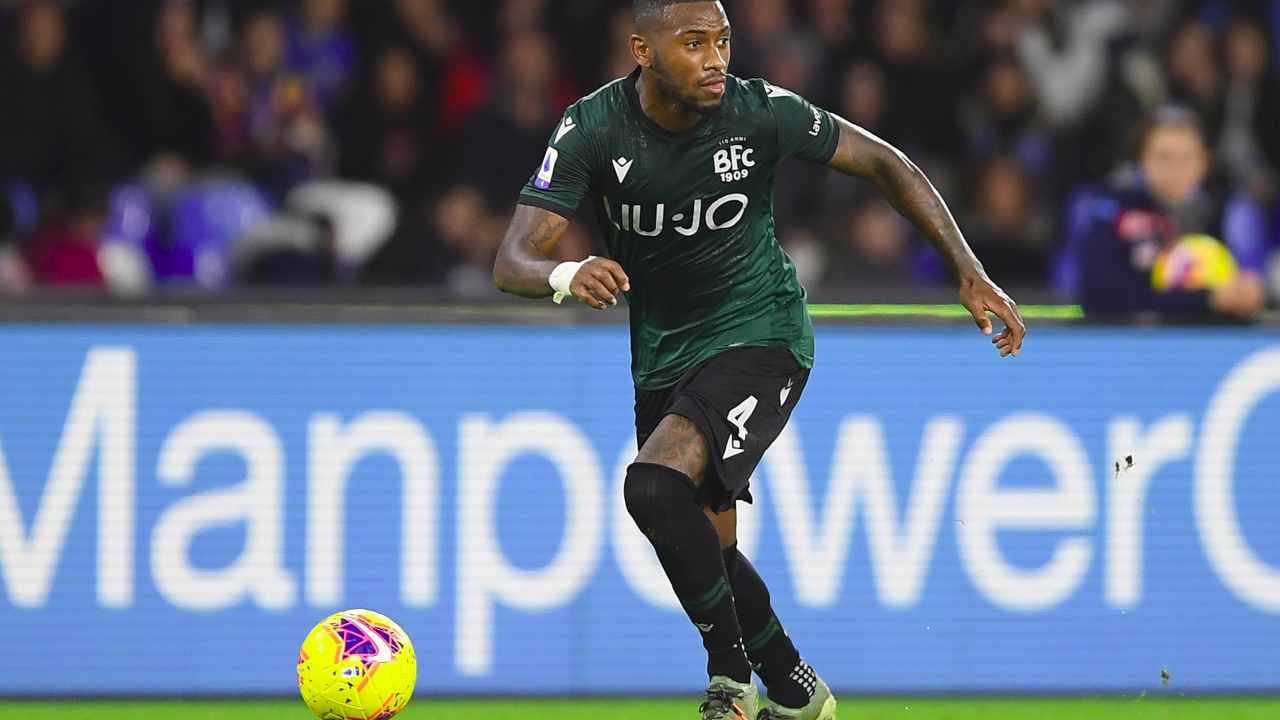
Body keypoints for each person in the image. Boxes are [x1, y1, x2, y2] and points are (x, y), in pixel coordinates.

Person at [492, 2, 1025, 719]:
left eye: (723, 41)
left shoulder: (760, 112)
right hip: (663, 356)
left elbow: (885, 163)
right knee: (704, 541)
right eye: (693, 43)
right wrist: (566, 272)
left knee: (651, 488)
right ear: (642, 52)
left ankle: (730, 679)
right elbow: (513, 257)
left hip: (762, 334)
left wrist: (966, 267)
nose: (715, 58)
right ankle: (798, 688)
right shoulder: (592, 127)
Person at [1078, 106, 1267, 320]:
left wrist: (1251, 292)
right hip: (1132, 341)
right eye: (1163, 158)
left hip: (1214, 341)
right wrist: (1207, 300)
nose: (1175, 170)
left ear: (1204, 163)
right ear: (1142, 159)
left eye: (1186, 158)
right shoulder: (1112, 209)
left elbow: (1256, 280)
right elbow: (1099, 295)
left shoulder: (1229, 211)